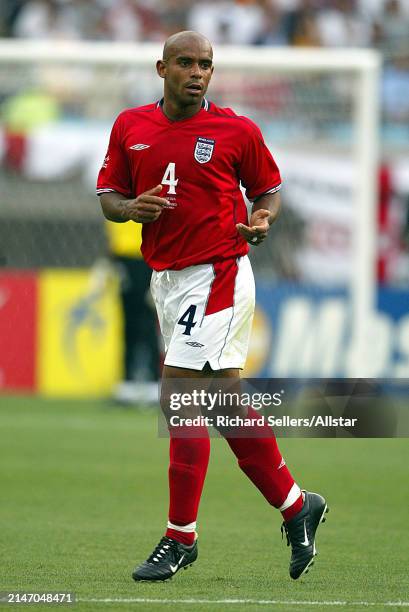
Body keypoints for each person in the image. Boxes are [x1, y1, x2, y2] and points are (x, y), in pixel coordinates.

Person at [97, 30, 328, 582]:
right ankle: (298, 507)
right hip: (167, 280)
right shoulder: (131, 126)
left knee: (181, 396)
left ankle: (180, 537)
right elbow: (107, 197)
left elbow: (268, 188)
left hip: (219, 273)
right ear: (162, 69)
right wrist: (131, 208)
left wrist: (264, 217)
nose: (196, 72)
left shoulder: (236, 130)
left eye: (205, 64)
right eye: (185, 63)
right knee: (223, 406)